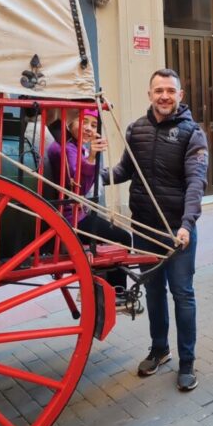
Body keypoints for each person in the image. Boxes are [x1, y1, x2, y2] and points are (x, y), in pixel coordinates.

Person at [102, 69, 208, 391]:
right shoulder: (136, 129)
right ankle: (160, 349)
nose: (164, 96)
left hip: (177, 233)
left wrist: (187, 224)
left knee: (182, 295)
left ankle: (187, 362)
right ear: (150, 95)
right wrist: (94, 169)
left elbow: (195, 183)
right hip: (144, 229)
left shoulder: (193, 134)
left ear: (180, 95)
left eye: (170, 91)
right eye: (158, 90)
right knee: (153, 292)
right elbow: (124, 170)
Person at [47, 108, 131, 310]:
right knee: (123, 238)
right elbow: (80, 188)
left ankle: (93, 288)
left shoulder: (72, 146)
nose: (88, 128)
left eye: (94, 125)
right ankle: (117, 294)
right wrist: (92, 157)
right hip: (71, 219)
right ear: (70, 122)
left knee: (107, 240)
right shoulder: (64, 148)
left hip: (75, 213)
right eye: (83, 122)